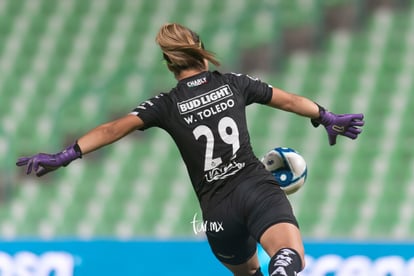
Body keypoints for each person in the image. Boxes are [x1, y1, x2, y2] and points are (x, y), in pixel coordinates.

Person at [16, 23, 364, 276]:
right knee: (289, 256)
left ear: (169, 64)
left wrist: (65, 155)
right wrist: (325, 116)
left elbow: (112, 129)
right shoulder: (234, 83)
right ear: (201, 51)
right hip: (255, 187)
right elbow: (288, 101)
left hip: (216, 211)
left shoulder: (165, 104)